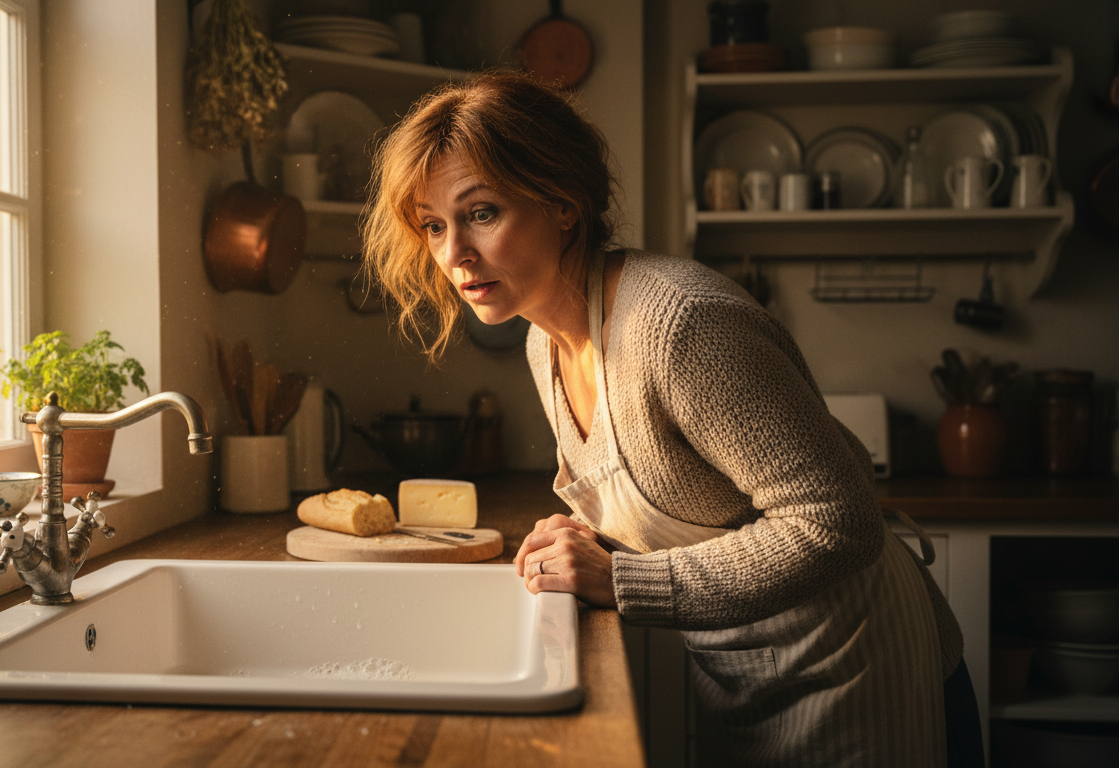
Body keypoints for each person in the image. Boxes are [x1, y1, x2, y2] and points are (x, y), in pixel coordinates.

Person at [361, 70, 983, 767]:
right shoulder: (545, 340)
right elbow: (692, 501)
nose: (453, 256)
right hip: (749, 672)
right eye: (434, 226)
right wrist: (589, 542)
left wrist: (618, 580)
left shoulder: (683, 327)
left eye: (481, 214)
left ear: (563, 203)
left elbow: (837, 523)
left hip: (865, 664)